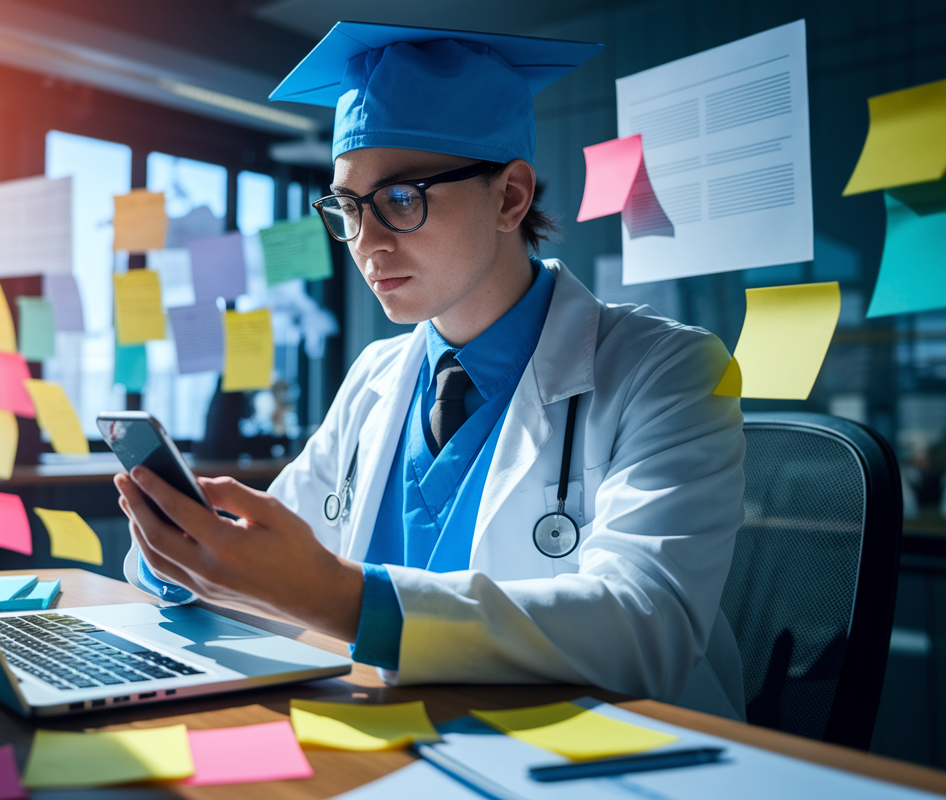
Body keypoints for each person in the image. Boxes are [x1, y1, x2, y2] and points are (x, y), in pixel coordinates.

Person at [113, 22, 747, 720]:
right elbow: (273, 557)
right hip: (406, 742)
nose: (367, 243)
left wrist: (341, 599)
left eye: (401, 200)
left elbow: (646, 626)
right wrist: (176, 556)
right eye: (348, 208)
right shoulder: (376, 377)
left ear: (510, 197)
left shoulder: (669, 369)